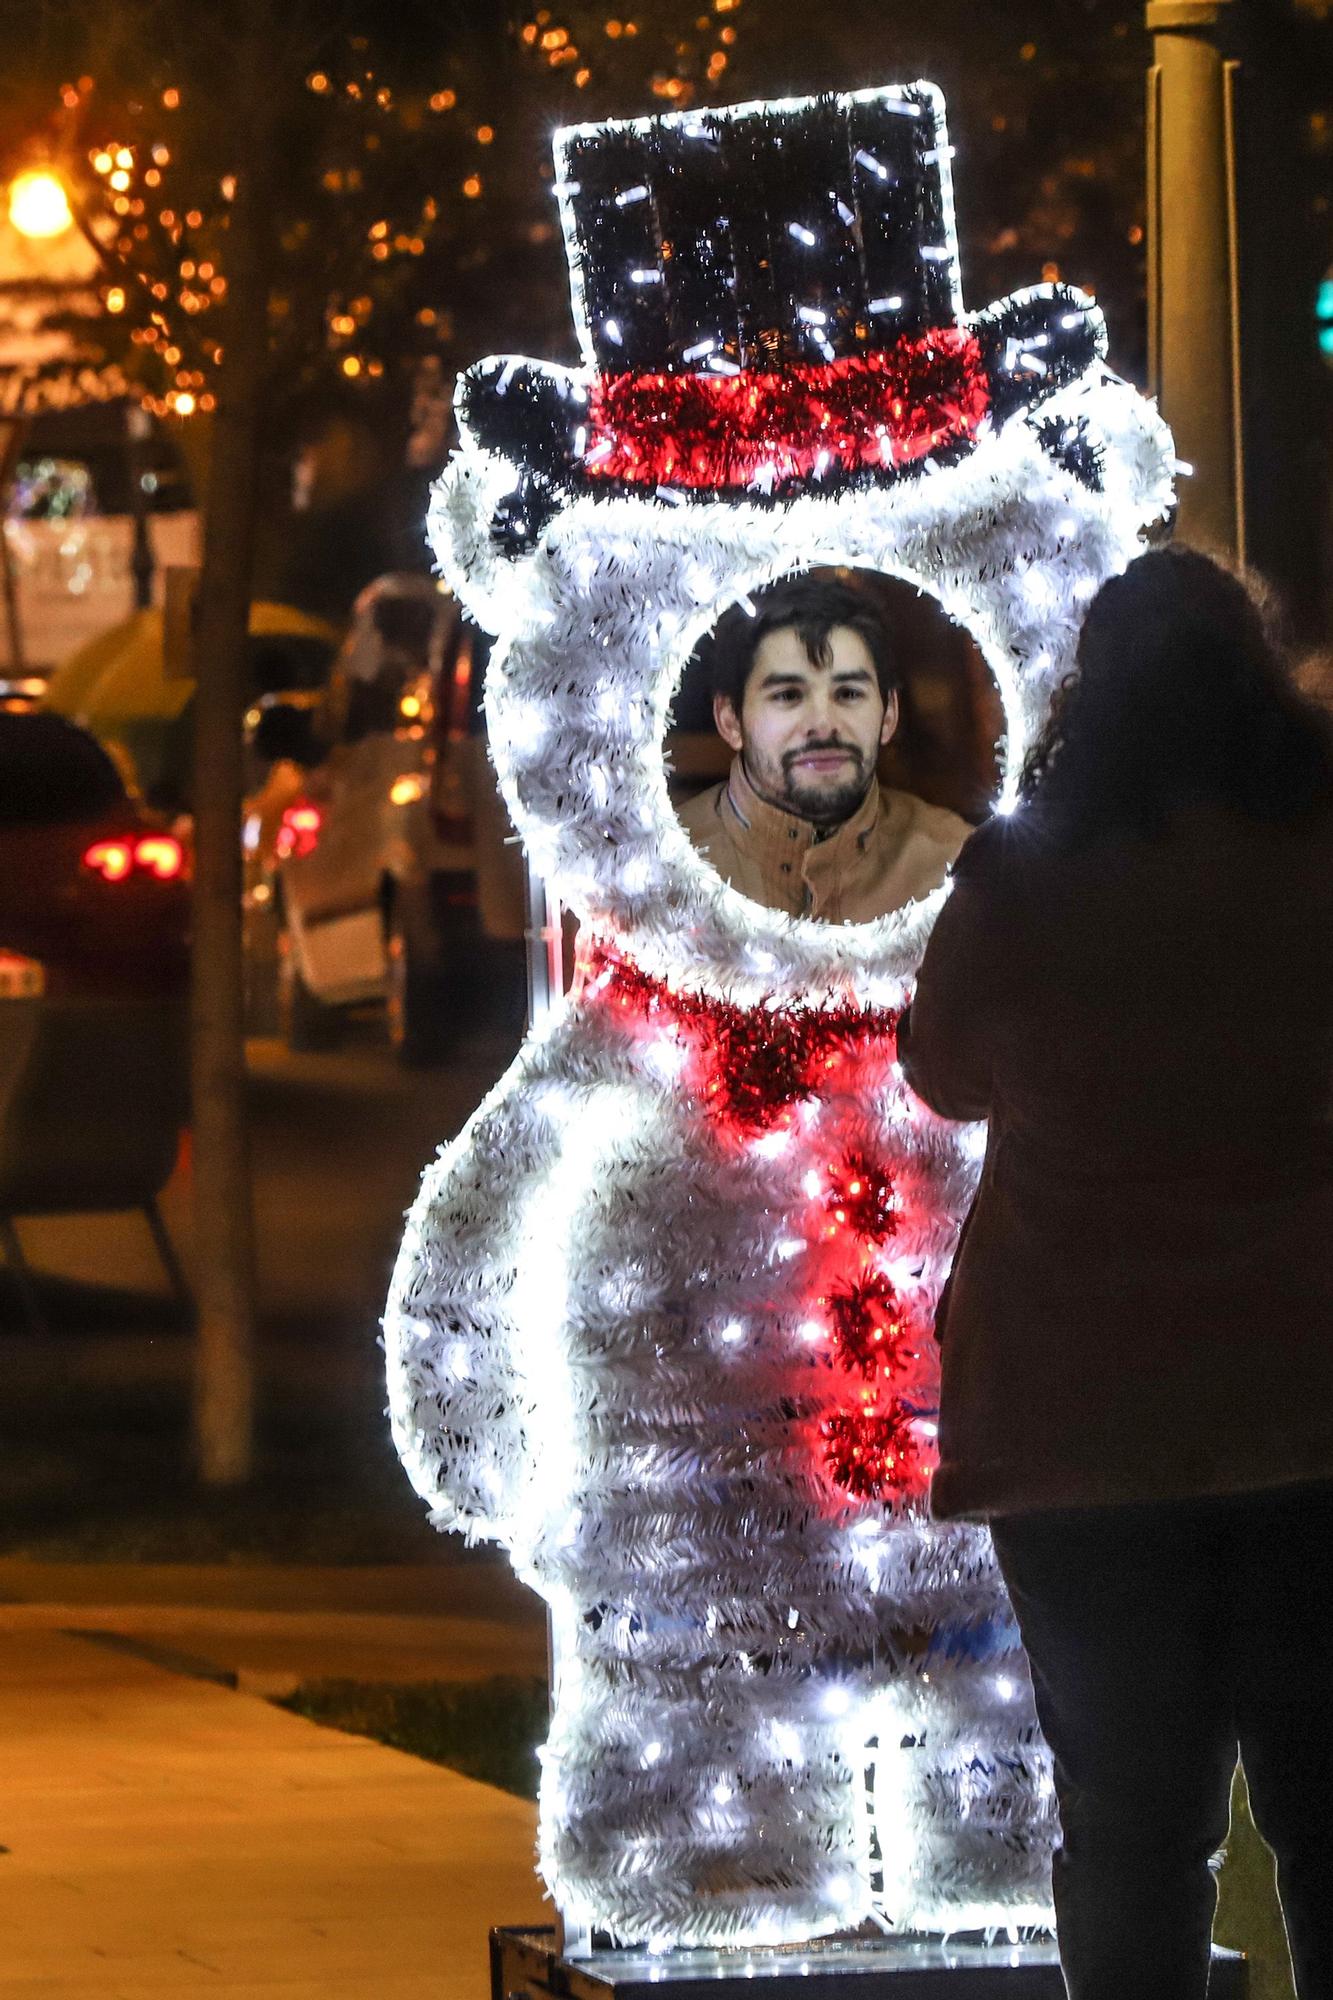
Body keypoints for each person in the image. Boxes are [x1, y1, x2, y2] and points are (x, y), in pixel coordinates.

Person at [896, 546, 1333, 1999]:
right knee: (1329, 1815)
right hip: (1307, 1399)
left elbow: (942, 1074)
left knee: (1133, 1827)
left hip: (1080, 1421)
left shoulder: (1025, 878)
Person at [678, 575, 970, 921]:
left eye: (848, 694)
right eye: (788, 695)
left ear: (889, 714)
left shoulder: (955, 864)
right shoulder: (665, 865)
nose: (823, 723)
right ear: (730, 720)